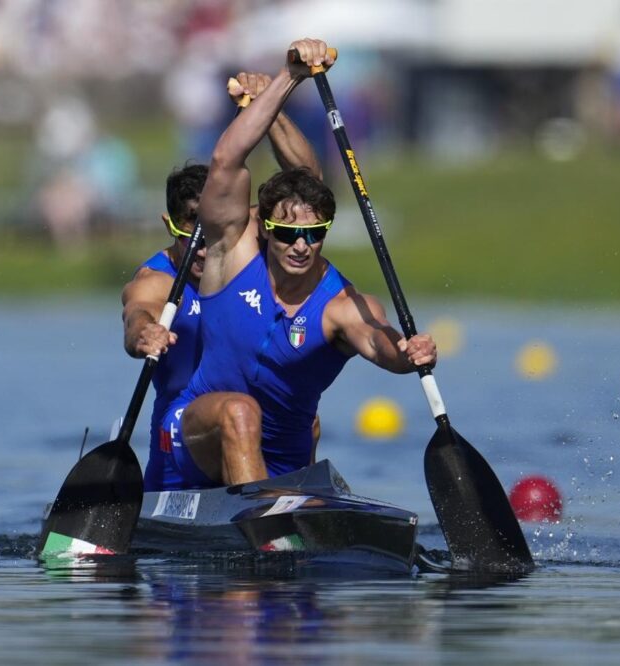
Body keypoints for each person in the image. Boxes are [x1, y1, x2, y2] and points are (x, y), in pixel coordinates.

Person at [158, 38, 437, 490]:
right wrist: (288, 79)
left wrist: (409, 356)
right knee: (240, 412)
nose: (301, 245)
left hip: (282, 458)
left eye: (315, 233)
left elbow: (381, 343)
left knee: (301, 431)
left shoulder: (341, 305)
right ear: (264, 229)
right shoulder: (231, 253)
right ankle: (266, 526)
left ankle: (275, 512)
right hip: (197, 436)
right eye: (287, 233)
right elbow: (227, 160)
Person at [122, 71, 324, 491]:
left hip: (251, 425)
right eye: (188, 232)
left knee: (304, 418)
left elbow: (308, 185)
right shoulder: (154, 281)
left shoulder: (240, 242)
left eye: (207, 233)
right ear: (168, 225)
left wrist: (268, 105)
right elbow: (137, 315)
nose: (201, 248)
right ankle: (270, 526)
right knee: (239, 411)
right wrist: (146, 334)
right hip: (181, 440)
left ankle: (288, 517)